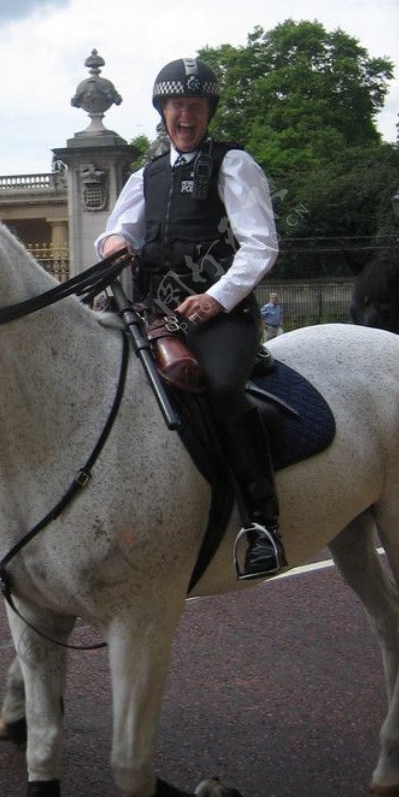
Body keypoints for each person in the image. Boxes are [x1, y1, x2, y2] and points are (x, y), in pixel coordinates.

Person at [95, 55, 286, 579]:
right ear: (162, 110)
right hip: (154, 313)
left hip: (219, 317)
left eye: (195, 106)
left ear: (208, 112)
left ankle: (263, 524)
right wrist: (114, 245)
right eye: (176, 105)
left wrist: (216, 298)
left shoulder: (234, 164)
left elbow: (260, 246)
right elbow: (119, 233)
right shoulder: (146, 175)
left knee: (222, 390)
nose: (185, 115)